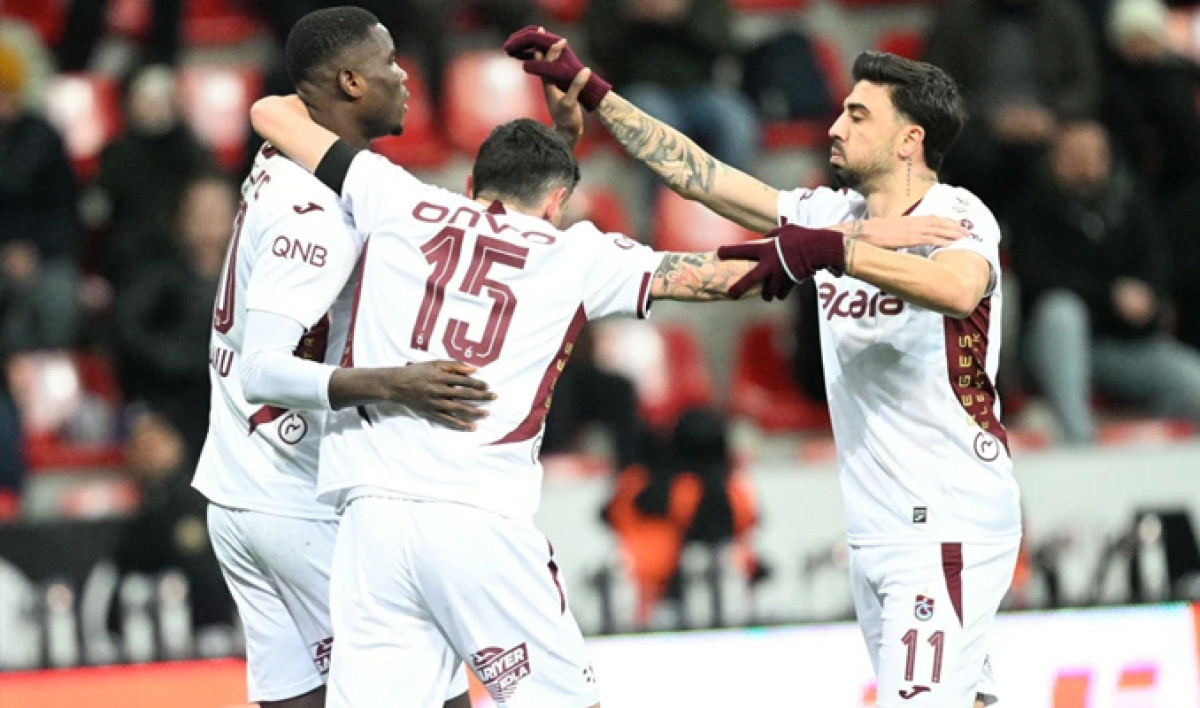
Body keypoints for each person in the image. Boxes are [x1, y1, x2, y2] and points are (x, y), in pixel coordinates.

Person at [248, 71, 810, 699]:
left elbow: (270, 114)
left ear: (471, 184)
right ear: (556, 204)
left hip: (369, 517)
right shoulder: (575, 255)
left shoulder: (395, 196)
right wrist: (825, 250)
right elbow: (717, 276)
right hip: (477, 520)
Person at [509, 31, 1020, 707]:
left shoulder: (954, 214)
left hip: (947, 520)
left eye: (858, 115)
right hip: (882, 525)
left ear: (910, 140)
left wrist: (833, 251)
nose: (835, 127)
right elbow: (699, 176)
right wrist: (598, 95)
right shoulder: (831, 214)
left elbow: (957, 290)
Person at [191, 8, 489, 708]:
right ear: (351, 82)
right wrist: (399, 385)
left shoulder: (287, 158)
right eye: (390, 63)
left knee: (300, 697)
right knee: (431, 684)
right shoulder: (316, 217)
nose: (406, 76)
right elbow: (263, 367)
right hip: (294, 496)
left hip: (238, 487)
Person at [1011, 122, 1200, 443]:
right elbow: (1038, 279)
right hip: (1050, 346)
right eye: (1074, 155)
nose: (1085, 164)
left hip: (1117, 344)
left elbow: (1158, 271)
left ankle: (1151, 452)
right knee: (1062, 311)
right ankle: (1080, 441)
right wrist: (1109, 296)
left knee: (1191, 380)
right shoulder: (1032, 210)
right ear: (1054, 159)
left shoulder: (1133, 205)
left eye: (1093, 155)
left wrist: (1148, 302)